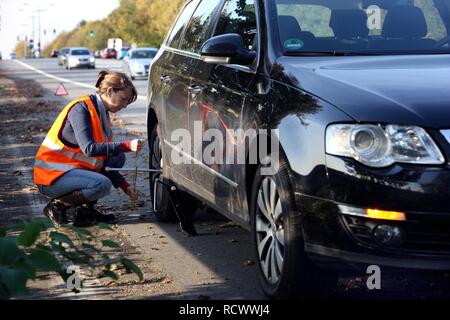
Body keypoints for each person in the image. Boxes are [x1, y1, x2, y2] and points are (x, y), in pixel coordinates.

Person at [34, 70, 145, 227]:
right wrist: (127, 145)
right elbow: (90, 149)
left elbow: (104, 162)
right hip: (51, 177)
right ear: (110, 91)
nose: (125, 105)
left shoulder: (101, 113)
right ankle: (58, 205)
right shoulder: (81, 109)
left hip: (69, 170)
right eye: (124, 99)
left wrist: (125, 187)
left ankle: (85, 214)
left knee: (117, 157)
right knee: (102, 184)